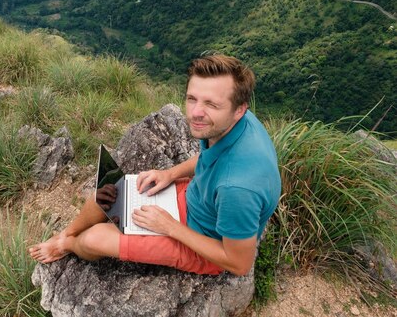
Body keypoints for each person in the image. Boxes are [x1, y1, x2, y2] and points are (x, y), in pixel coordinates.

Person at [29, 55, 281, 276]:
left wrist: (170, 227)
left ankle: (67, 245)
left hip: (204, 243)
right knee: (105, 194)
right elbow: (210, 160)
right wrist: (169, 174)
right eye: (192, 99)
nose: (195, 112)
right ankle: (64, 234)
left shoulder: (238, 189)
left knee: (94, 239)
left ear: (239, 109)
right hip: (196, 199)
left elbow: (239, 264)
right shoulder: (232, 123)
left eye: (211, 104)